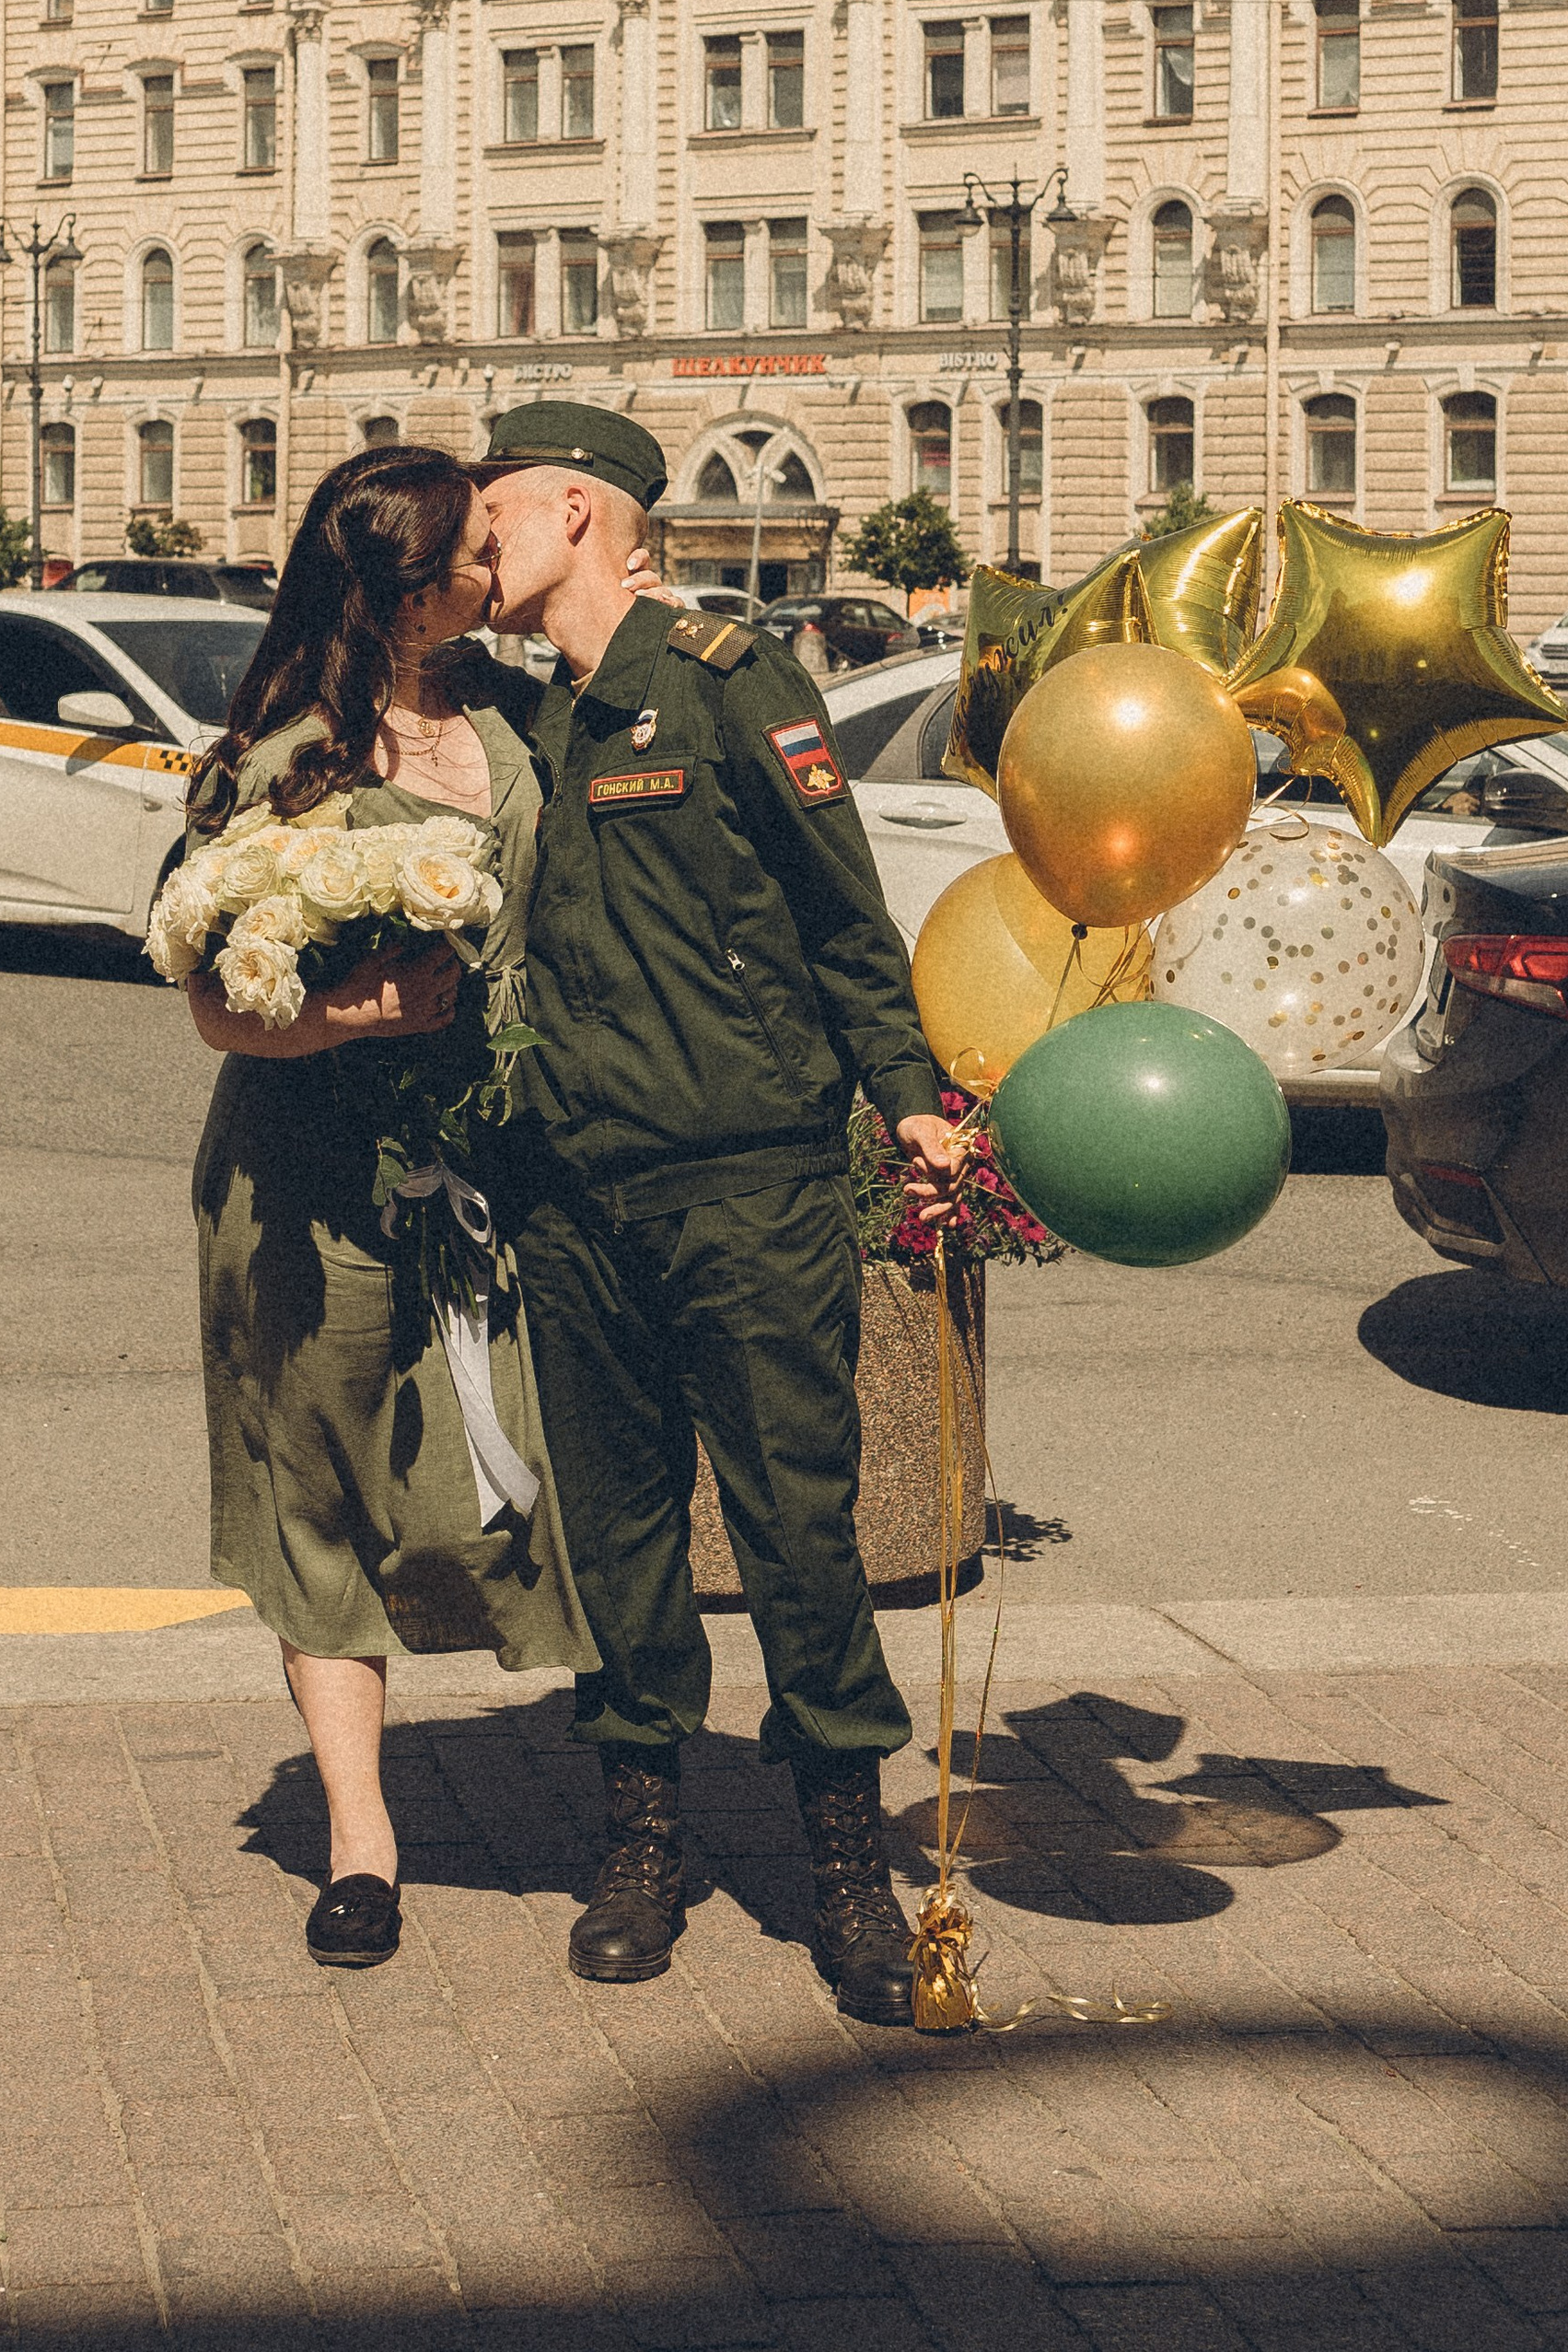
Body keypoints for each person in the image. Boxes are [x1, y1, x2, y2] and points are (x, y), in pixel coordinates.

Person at [479, 401, 958, 2028]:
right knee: (616, 1541)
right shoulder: (510, 723)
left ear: (584, 516)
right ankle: (644, 1845)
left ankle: (845, 1864)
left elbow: (844, 918)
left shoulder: (726, 678)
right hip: (569, 1190)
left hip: (744, 1184)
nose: (483, 551)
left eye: (500, 521)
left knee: (796, 1531)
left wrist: (908, 1098)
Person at [180, 443, 591, 1972]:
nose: (501, 571)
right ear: (407, 593)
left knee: (523, 1470)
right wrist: (355, 1014)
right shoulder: (286, 753)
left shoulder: (507, 717)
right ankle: (362, 1839)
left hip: (491, 1166)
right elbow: (215, 1001)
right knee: (318, 1491)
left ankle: (626, 1772)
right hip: (311, 1186)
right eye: (477, 554)